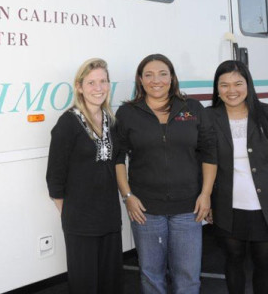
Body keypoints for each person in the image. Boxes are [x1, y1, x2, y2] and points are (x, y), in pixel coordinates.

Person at [115, 54, 217, 294]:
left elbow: (209, 153)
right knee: (151, 275)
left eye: (162, 73)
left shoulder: (191, 108)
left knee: (188, 276)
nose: (156, 80)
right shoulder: (127, 113)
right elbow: (118, 159)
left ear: (172, 78)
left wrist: (206, 194)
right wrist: (127, 196)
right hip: (145, 209)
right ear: (140, 80)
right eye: (148, 75)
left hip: (188, 207)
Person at [46, 58, 123, 294]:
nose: (98, 88)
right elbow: (54, 178)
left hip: (109, 217)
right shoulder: (68, 123)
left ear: (109, 85)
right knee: (85, 285)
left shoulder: (112, 120)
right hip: (80, 222)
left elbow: (116, 161)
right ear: (79, 86)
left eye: (103, 81)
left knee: (110, 282)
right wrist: (71, 213)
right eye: (91, 82)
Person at [206, 60, 268, 294]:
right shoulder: (207, 117)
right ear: (217, 89)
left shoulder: (265, 113)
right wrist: (207, 199)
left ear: (248, 85)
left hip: (263, 206)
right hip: (228, 206)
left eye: (238, 84)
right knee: (234, 259)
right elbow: (200, 162)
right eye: (224, 85)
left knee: (263, 262)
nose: (232, 91)